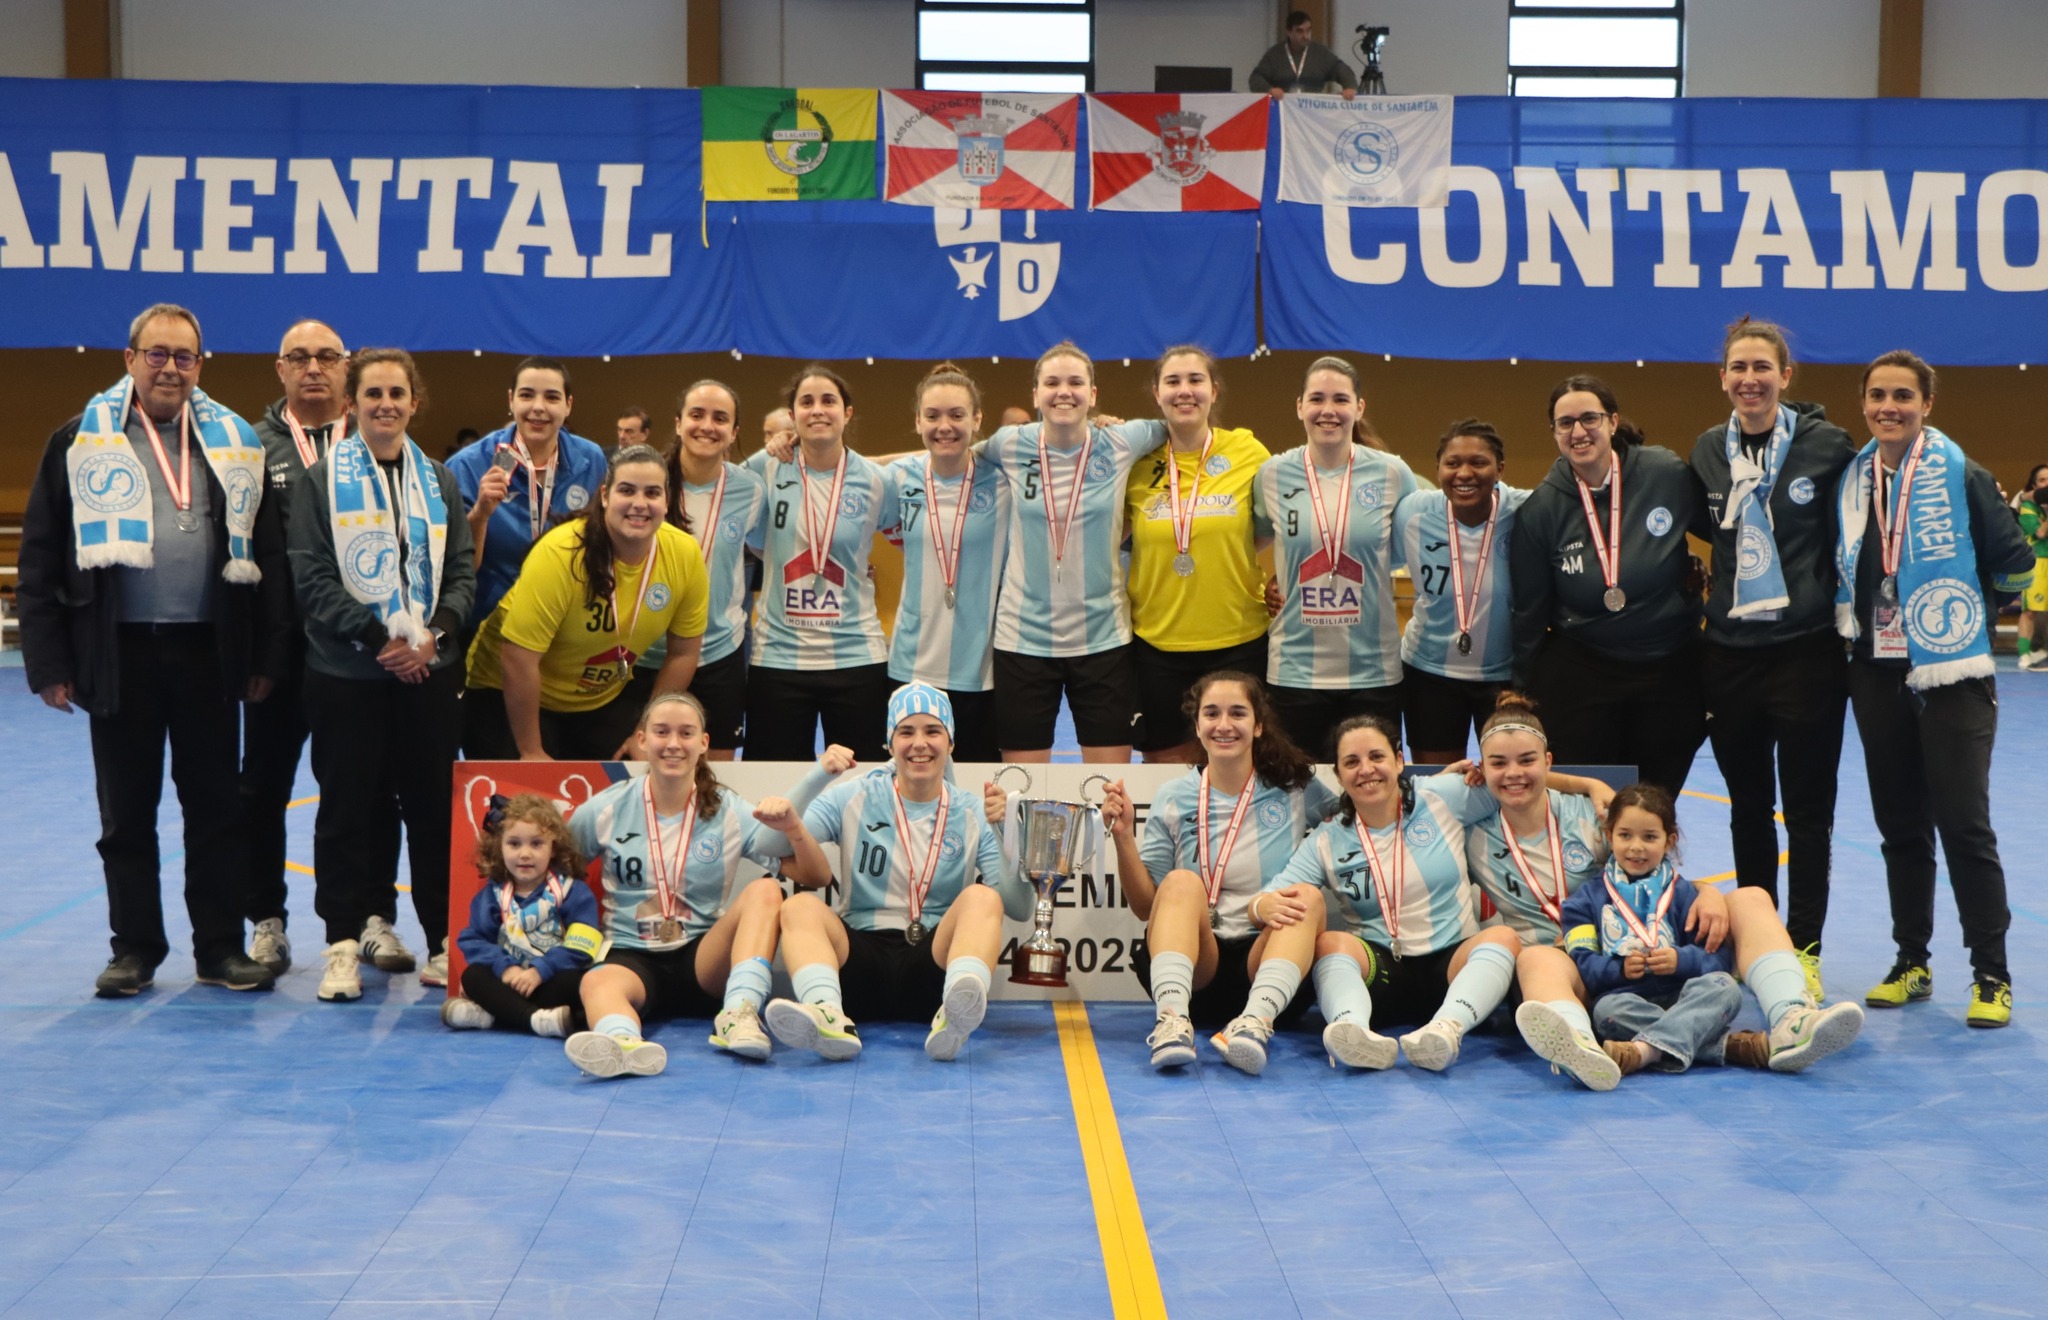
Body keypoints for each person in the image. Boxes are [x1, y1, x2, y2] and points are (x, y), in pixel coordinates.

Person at [18, 302, 286, 997]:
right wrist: (49, 664)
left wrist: (262, 658)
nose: (171, 367)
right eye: (158, 354)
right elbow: (42, 555)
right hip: (118, 653)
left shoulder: (233, 443)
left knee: (216, 810)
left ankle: (220, 948)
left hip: (208, 651)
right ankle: (134, 948)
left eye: (185, 356)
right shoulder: (78, 441)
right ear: (129, 359)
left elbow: (271, 561)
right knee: (126, 814)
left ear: (202, 365)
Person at [1840, 350, 2033, 1027]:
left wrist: (1968, 612)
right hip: (1875, 670)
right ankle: (1911, 962)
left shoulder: (1963, 474)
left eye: (1902, 396)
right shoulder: (1854, 479)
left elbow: (2017, 564)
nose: (1887, 407)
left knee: (1963, 825)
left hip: (1954, 676)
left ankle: (1992, 973)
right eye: (1876, 395)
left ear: (1927, 404)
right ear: (1863, 403)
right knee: (1900, 826)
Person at [289, 348, 476, 997]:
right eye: (373, 394)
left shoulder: (440, 481)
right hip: (346, 675)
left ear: (414, 402)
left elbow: (460, 573)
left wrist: (435, 638)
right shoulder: (320, 482)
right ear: (352, 404)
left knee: (430, 812)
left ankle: (444, 939)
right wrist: (380, 638)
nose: (386, 404)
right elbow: (311, 576)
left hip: (427, 677)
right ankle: (343, 942)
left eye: (398, 393)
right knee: (345, 811)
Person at [1689, 318, 1857, 1000]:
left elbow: (1851, 532)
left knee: (1809, 811)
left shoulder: (1828, 446)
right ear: (1723, 377)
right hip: (1730, 656)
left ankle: (1806, 947)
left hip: (1807, 652)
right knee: (1748, 806)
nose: (1750, 379)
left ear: (1786, 375)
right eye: (1738, 368)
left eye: (1763, 366)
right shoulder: (1706, 450)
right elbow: (1705, 533)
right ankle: (1761, 945)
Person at [565, 693, 842, 1077]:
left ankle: (739, 1014)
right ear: (642, 740)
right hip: (631, 956)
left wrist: (794, 827)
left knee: (765, 891)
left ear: (704, 743)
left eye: (686, 733)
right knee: (596, 982)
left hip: (703, 960)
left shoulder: (728, 810)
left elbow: (816, 877)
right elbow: (558, 876)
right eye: (662, 732)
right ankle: (622, 1043)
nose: (674, 744)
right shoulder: (604, 809)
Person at [767, 684, 1031, 1061]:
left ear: (951, 742)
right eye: (906, 732)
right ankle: (828, 1014)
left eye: (932, 731)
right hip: (859, 962)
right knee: (798, 908)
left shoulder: (973, 811)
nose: (919, 743)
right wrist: (818, 776)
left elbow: (1019, 907)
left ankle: (954, 1016)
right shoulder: (854, 795)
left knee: (983, 897)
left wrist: (1006, 832)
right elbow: (767, 842)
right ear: (890, 744)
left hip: (934, 968)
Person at [1101, 671, 1335, 1073]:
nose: (1224, 725)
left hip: (1263, 962)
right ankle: (1173, 1022)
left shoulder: (1296, 786)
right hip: (1197, 972)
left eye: (1237, 713)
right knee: (1180, 882)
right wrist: (1123, 838)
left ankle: (1253, 1024)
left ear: (1258, 725)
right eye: (1211, 713)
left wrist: (1434, 790)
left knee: (1308, 898)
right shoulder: (1173, 796)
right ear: (1197, 724)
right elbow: (1145, 907)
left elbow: (1362, 816)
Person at [1266, 714, 1520, 1072]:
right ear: (1338, 775)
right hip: (1381, 973)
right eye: (1351, 762)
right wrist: (1262, 905)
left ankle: (1446, 1030)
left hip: (1450, 969)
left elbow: (1517, 783)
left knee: (1503, 937)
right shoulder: (1328, 837)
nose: (1366, 769)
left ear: (1399, 761)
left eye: (1377, 757)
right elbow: (1274, 894)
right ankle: (1350, 1030)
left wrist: (1589, 787)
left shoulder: (1441, 797)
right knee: (1328, 944)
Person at [1511, 375, 1705, 793]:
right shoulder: (1541, 510)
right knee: (1591, 805)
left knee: (1655, 802)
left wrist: (1707, 581)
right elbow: (1530, 612)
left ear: (1613, 422)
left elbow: (1727, 534)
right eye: (1565, 423)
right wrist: (1518, 693)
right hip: (1586, 673)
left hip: (1671, 668)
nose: (1578, 432)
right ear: (1554, 433)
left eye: (1589, 419)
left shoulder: (1664, 473)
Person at [241, 318, 363, 978]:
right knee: (262, 789)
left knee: (357, 794)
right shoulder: (249, 446)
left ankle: (359, 922)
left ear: (346, 368)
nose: (313, 367)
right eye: (299, 357)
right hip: (277, 660)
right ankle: (266, 921)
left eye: (326, 357)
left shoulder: (376, 442)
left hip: (355, 655)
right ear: (279, 368)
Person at [977, 342, 1168, 763]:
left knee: (1106, 791)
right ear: (1035, 394)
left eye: (1076, 383)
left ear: (1094, 395)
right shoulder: (1009, 444)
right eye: (1052, 383)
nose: (1064, 392)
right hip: (1023, 640)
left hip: (1103, 641)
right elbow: (944, 456)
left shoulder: (1122, 439)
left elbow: (1180, 424)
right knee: (1020, 793)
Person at [465, 444, 708, 761]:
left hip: (599, 700)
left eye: (652, 493)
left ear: (667, 500)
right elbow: (517, 659)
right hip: (506, 691)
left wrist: (646, 729)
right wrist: (531, 751)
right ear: (605, 496)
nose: (639, 504)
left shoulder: (685, 554)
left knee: (628, 780)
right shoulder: (561, 553)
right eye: (627, 490)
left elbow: (683, 653)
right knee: (527, 801)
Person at [1253, 356, 1418, 760]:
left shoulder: (1393, 474)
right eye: (1317, 399)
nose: (1328, 410)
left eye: (1341, 399)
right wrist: (1267, 587)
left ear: (1359, 408)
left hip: (1373, 672)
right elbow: (1249, 543)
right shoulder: (1272, 474)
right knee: (1297, 793)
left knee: (1372, 790)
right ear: (1299, 406)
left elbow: (1401, 551)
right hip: (1294, 671)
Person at [1123, 347, 1272, 763]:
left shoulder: (1247, 451)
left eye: (1195, 380)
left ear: (1214, 390)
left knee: (1242, 766)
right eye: (1172, 381)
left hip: (1239, 640)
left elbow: (1268, 529)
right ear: (1156, 393)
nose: (1184, 391)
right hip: (1157, 643)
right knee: (1166, 774)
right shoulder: (1136, 462)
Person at [743, 366, 898, 761]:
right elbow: (753, 538)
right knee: (772, 784)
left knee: (863, 787)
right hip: (778, 656)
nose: (817, 410)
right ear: (792, 415)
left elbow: (916, 543)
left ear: (847, 412)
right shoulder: (765, 469)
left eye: (828, 401)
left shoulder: (877, 481)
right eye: (806, 402)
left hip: (857, 656)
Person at [1556, 785, 1760, 1079]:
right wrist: (1620, 969)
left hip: (1685, 995)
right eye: (1625, 835)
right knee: (1605, 1012)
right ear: (1609, 834)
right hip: (1626, 998)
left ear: (1669, 841)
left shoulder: (1686, 896)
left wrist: (1681, 960)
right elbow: (1584, 964)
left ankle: (1643, 1051)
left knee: (1724, 987)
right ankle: (1722, 1046)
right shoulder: (1583, 901)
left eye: (1649, 837)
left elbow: (1717, 959)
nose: (1636, 846)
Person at [624, 380, 766, 758]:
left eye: (721, 418)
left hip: (719, 651)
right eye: (697, 415)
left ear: (734, 432)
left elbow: (770, 546)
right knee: (638, 765)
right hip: (645, 652)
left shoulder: (752, 490)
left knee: (716, 772)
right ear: (677, 422)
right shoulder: (648, 484)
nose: (707, 426)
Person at [883, 363, 1010, 764]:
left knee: (976, 789)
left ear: (977, 420)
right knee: (909, 783)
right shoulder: (897, 477)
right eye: (933, 415)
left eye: (957, 415)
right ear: (918, 420)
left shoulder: (1005, 478)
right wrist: (792, 441)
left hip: (984, 670)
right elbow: (838, 468)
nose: (945, 426)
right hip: (911, 663)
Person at [445, 357, 607, 638]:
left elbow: (600, 544)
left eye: (552, 397)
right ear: (511, 400)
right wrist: (480, 514)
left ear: (568, 405)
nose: (538, 407)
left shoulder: (591, 460)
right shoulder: (468, 466)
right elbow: (457, 570)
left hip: (563, 625)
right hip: (488, 627)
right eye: (527, 395)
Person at [1395, 419, 1526, 763]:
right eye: (1452, 463)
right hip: (1428, 673)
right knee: (1437, 782)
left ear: (1499, 469)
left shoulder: (1526, 512)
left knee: (1508, 778)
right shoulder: (1412, 513)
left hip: (1505, 675)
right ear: (1438, 469)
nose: (1464, 473)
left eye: (1478, 462)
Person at [444, 793, 601, 1036]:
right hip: (509, 980)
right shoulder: (493, 895)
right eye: (514, 844)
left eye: (536, 844)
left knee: (576, 983)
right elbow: (472, 940)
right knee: (473, 976)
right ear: (499, 846)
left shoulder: (572, 892)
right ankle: (535, 1019)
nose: (525, 854)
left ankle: (494, 1015)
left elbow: (583, 944)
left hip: (549, 979)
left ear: (554, 847)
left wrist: (541, 970)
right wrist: (505, 969)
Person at [1248, 10, 1359, 99]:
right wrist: (1270, 90)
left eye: (1308, 31)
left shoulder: (1320, 53)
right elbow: (1255, 78)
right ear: (1289, 32)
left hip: (1311, 114)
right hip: (1283, 111)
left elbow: (1342, 70)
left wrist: (1350, 87)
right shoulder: (1275, 54)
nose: (1305, 36)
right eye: (1299, 31)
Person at [2015, 481, 2048, 671]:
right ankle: (2024, 653)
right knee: (2030, 610)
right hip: (2038, 562)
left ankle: (2043, 651)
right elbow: (2041, 533)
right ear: (2035, 485)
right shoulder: (2028, 508)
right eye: (2042, 480)